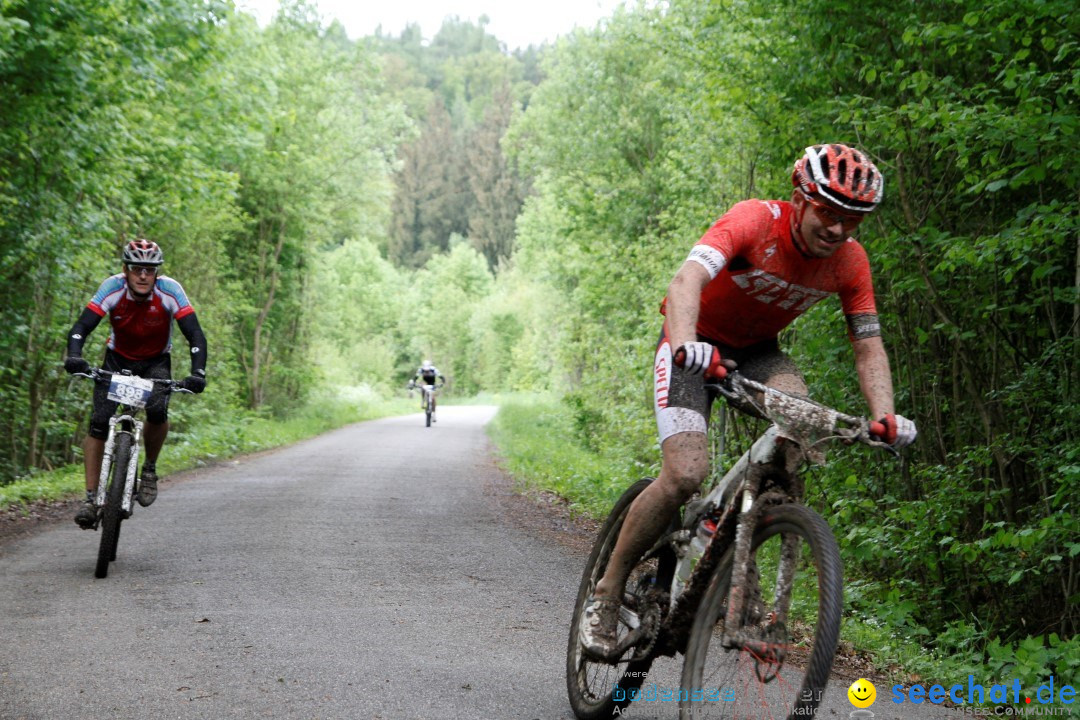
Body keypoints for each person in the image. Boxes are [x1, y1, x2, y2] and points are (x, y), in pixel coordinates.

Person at [579, 144, 918, 659]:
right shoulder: (754, 222)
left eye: (853, 220)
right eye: (828, 213)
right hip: (692, 344)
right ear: (800, 200)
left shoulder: (850, 261)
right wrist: (686, 343)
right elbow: (685, 281)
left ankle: (746, 592)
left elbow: (868, 344)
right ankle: (605, 595)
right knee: (685, 475)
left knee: (798, 428)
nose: (838, 230)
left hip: (759, 355)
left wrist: (884, 416)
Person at [63, 239, 207, 528]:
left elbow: (195, 335)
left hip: (156, 361)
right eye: (136, 269)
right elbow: (82, 327)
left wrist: (198, 372)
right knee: (99, 422)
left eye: (149, 270)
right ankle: (90, 498)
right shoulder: (112, 288)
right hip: (117, 359)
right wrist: (75, 356)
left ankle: (150, 470)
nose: (143, 275)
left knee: (157, 412)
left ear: (157, 273)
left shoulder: (170, 290)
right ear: (125, 270)